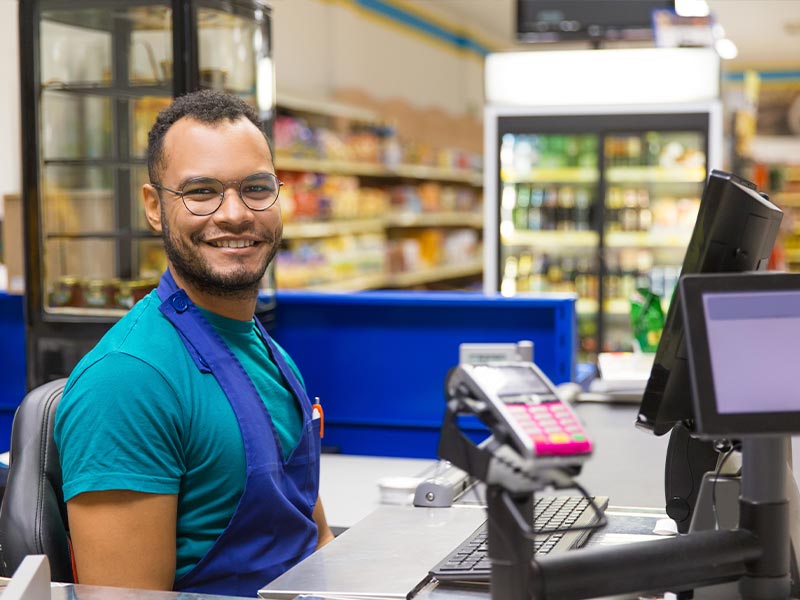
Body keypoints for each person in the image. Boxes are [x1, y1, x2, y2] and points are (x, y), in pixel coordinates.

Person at [54, 89, 334, 597]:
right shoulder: (128, 381)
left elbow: (314, 538)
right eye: (201, 192)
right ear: (155, 207)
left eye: (255, 187)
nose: (235, 214)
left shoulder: (267, 351)